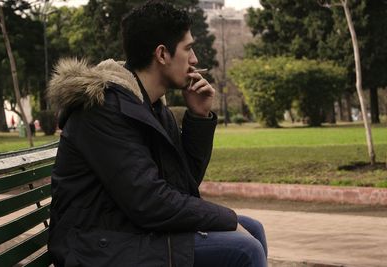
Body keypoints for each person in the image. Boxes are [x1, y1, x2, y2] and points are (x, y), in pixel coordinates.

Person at [47, 1, 267, 266]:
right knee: (244, 249)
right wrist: (227, 219)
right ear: (162, 54)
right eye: (188, 49)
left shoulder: (150, 107)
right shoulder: (104, 110)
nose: (195, 59)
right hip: (95, 247)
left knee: (253, 230)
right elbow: (149, 203)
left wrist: (197, 117)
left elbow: (183, 186)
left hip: (127, 232)